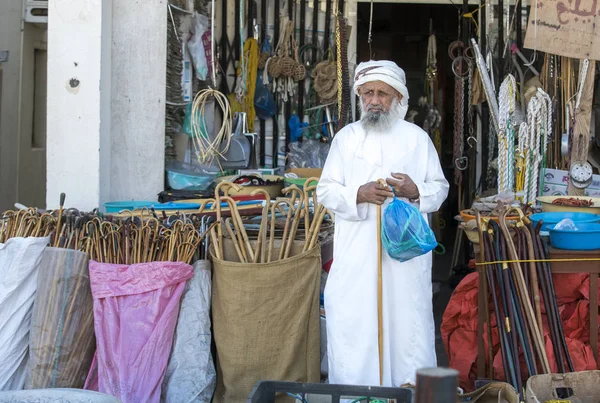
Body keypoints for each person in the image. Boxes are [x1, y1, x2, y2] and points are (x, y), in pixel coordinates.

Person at [316, 60, 449, 387]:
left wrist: (413, 190)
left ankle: (408, 393)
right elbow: (326, 190)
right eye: (369, 93)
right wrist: (358, 194)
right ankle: (357, 396)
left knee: (407, 327)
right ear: (360, 96)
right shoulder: (346, 139)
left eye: (383, 94)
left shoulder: (417, 139)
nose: (375, 100)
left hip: (404, 262)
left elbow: (440, 187)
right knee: (355, 325)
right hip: (355, 257)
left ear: (398, 99)